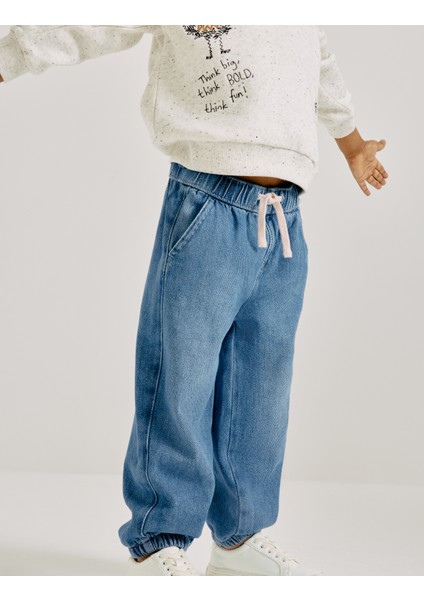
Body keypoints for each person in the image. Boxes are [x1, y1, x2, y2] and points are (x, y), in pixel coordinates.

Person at [0, 25, 388, 576]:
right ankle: (158, 536)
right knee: (181, 373)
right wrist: (11, 53)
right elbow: (97, 21)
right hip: (208, 199)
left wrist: (353, 144)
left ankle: (239, 536)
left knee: (261, 385)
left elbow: (320, 64)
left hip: (285, 218)